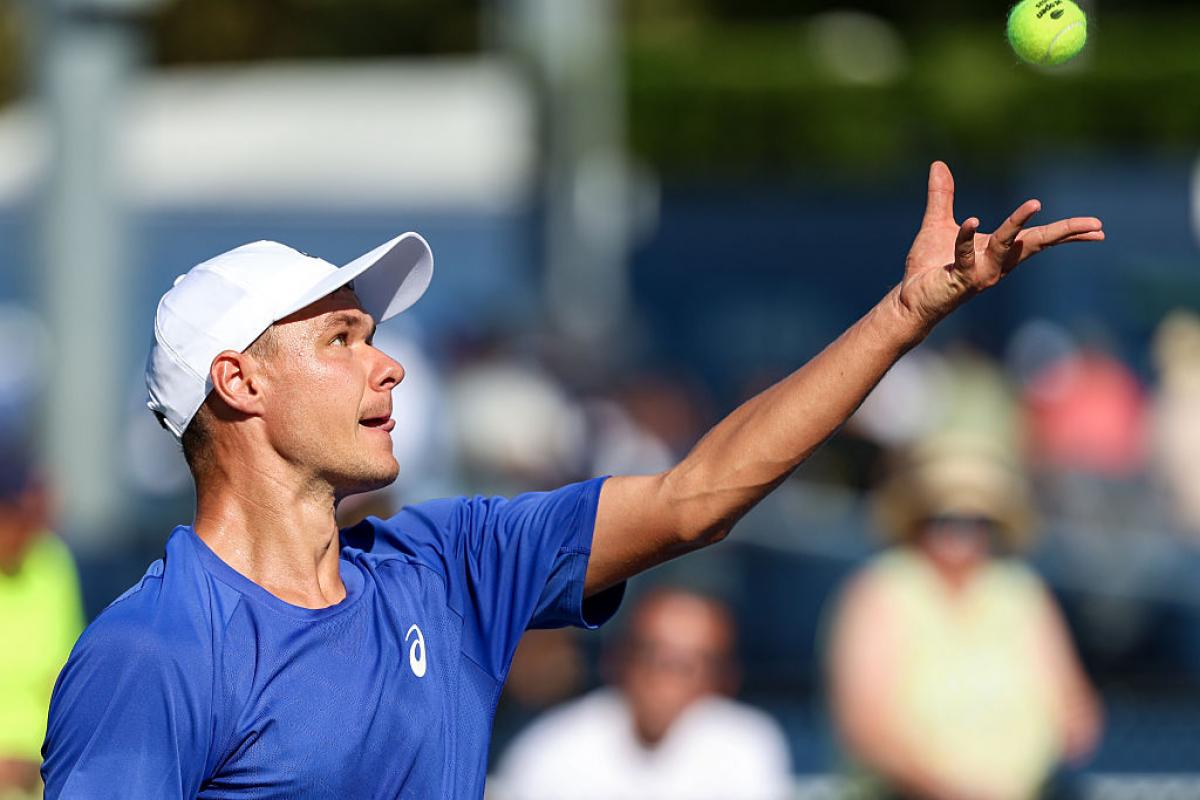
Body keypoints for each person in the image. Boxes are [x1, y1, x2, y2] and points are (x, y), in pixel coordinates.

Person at [40, 163, 1103, 798]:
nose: (389, 360)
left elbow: (700, 493)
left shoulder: (443, 564)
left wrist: (908, 312)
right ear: (238, 381)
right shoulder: (153, 651)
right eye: (341, 337)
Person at [827, 436, 1102, 800]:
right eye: (946, 518)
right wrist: (949, 790)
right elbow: (864, 726)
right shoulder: (880, 590)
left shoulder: (1021, 592)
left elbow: (1075, 706)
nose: (960, 533)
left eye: (975, 520)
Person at [492, 588, 792, 800]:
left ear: (725, 679)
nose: (667, 681)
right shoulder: (550, 751)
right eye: (653, 656)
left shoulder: (747, 747)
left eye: (690, 665)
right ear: (618, 661)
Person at [0, 437, 83, 800]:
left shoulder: (51, 562)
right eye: (19, 516)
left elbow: (63, 678)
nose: (29, 529)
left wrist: (45, 760)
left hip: (39, 778)